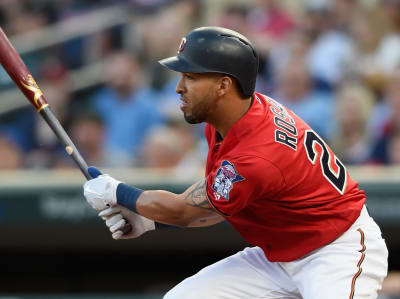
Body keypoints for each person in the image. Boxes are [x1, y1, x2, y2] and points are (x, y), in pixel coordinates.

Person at [83, 27, 388, 298]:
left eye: (190, 77)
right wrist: (151, 220)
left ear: (223, 85)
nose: (179, 87)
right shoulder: (230, 116)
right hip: (277, 255)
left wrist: (118, 192)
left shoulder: (257, 154)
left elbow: (184, 211)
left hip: (336, 251)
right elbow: (221, 195)